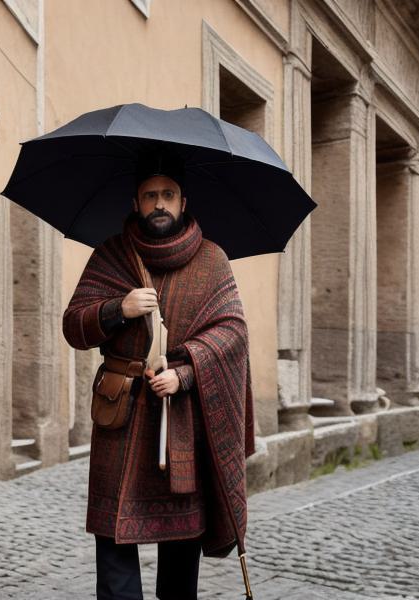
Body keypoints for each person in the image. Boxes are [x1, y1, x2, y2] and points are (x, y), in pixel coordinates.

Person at [63, 154, 253, 600]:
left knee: (180, 547)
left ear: (184, 201)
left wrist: (185, 373)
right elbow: (73, 326)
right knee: (113, 541)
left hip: (180, 421)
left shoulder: (212, 261)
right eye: (151, 196)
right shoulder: (110, 255)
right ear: (136, 201)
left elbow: (233, 333)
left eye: (168, 195)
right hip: (121, 417)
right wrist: (117, 309)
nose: (159, 204)